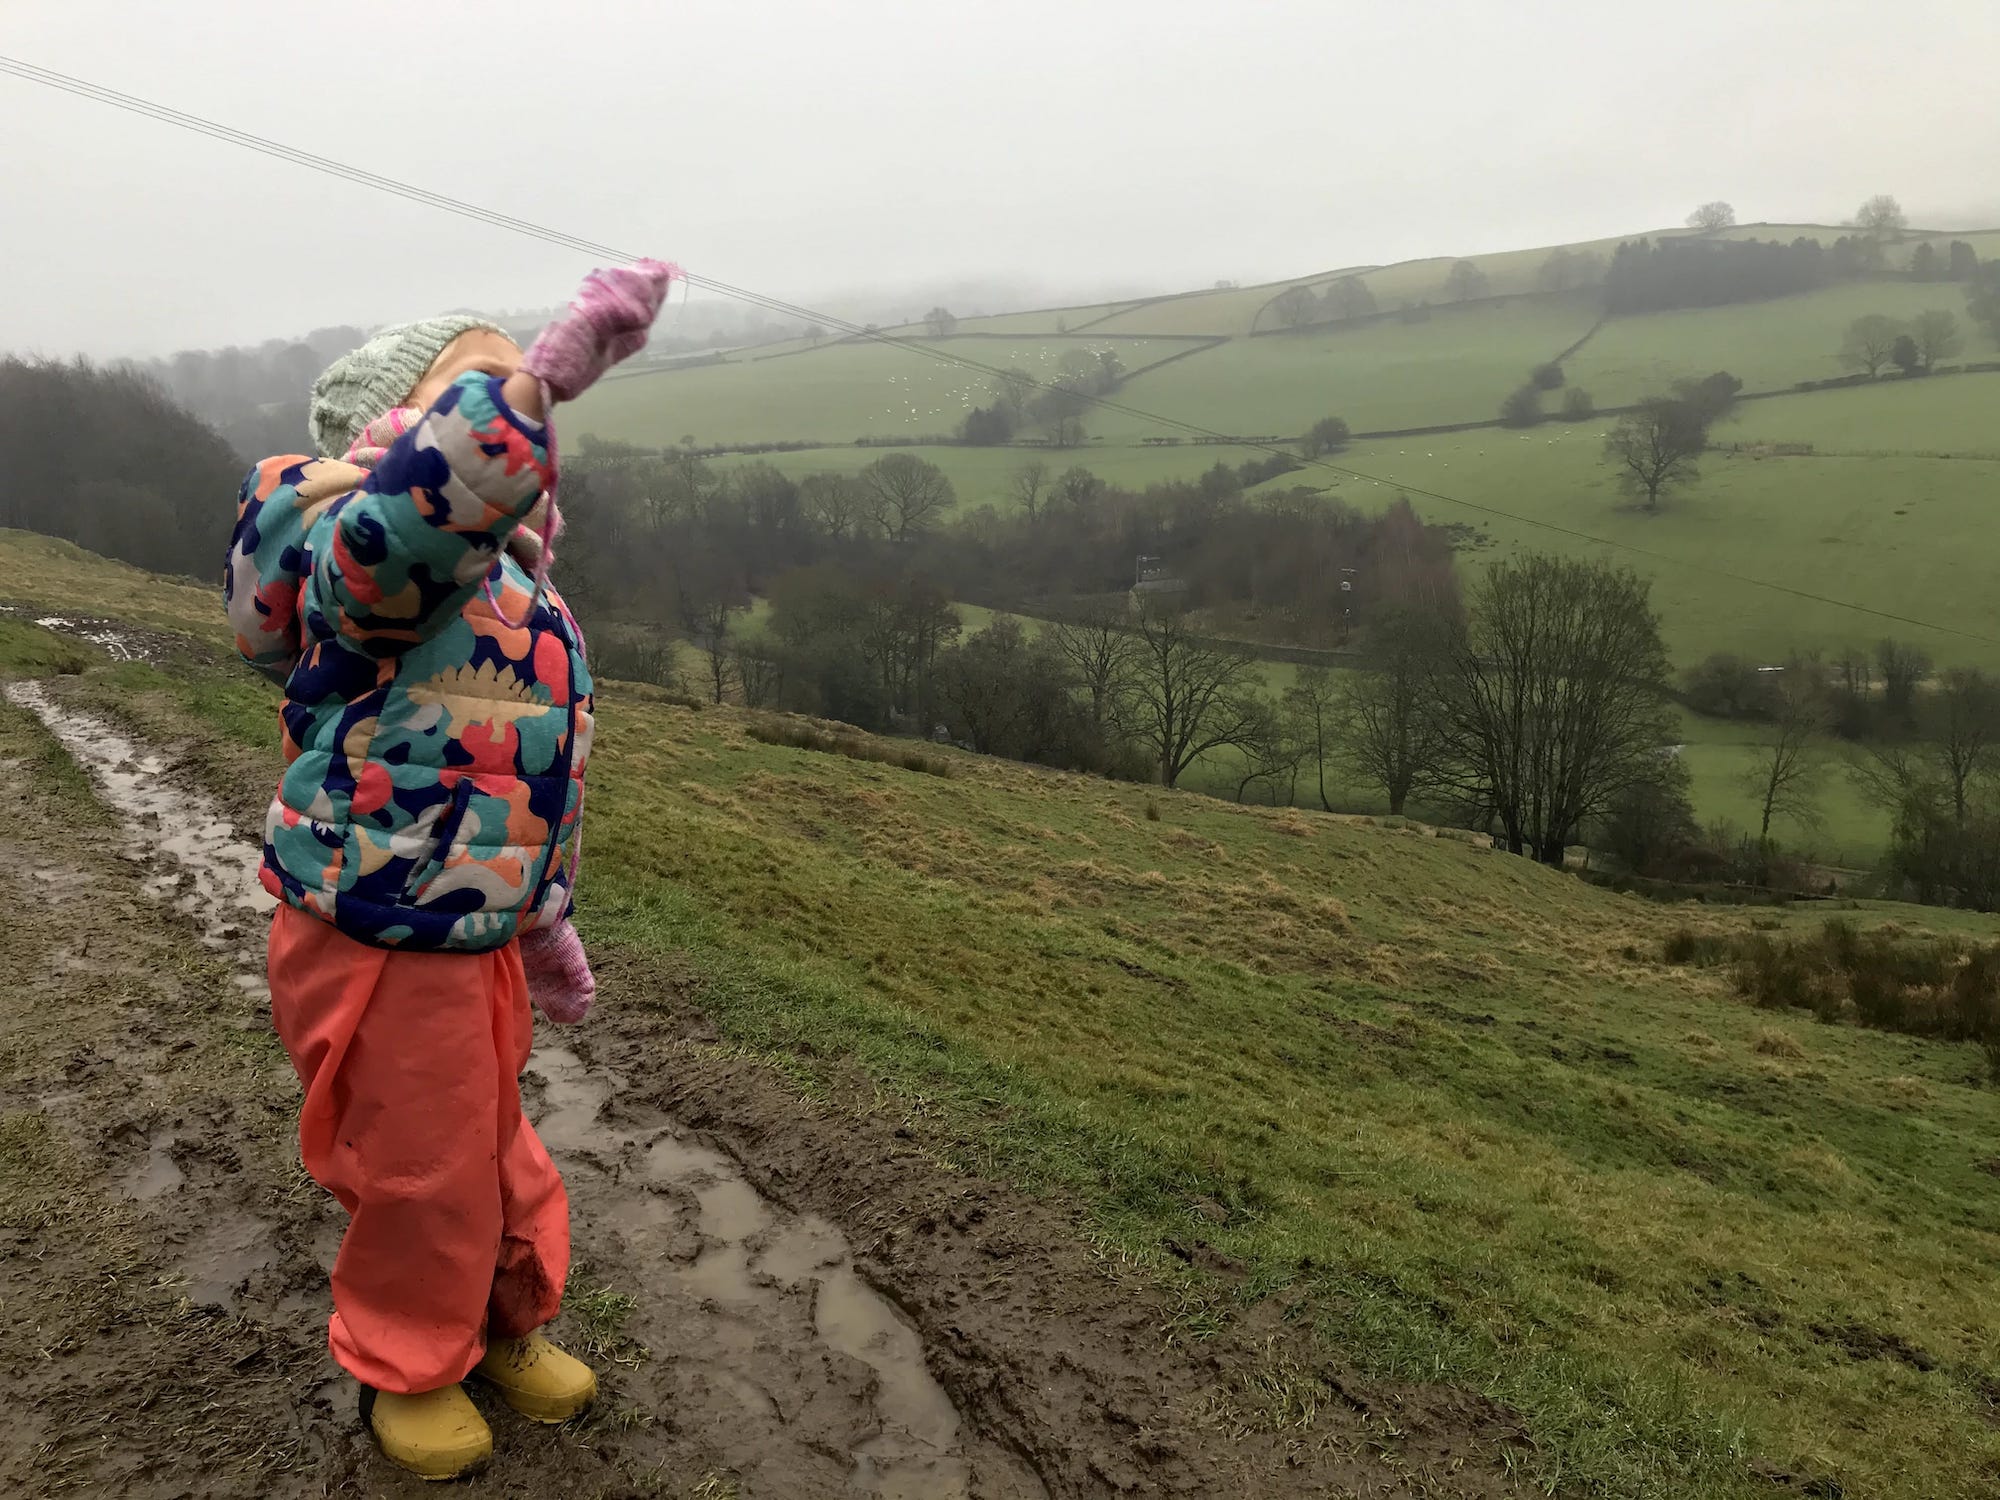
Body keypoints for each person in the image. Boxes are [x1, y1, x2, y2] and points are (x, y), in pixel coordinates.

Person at [222, 261, 675, 1479]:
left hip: (470, 924)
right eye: (474, 394)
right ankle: (405, 1361)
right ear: (393, 431)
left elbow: (518, 774)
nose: (522, 415)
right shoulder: (349, 543)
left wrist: (543, 914)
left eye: (521, 397)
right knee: (418, 1162)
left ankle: (501, 1325)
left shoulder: (514, 585)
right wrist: (530, 381)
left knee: (495, 1147)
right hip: (372, 926)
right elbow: (405, 531)